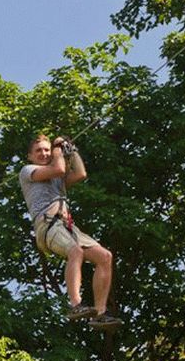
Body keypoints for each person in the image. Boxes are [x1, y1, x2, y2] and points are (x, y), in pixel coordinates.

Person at [19, 134, 122, 330]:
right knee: (76, 251)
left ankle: (100, 313)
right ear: (30, 156)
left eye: (47, 150)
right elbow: (58, 168)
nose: (44, 153)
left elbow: (81, 173)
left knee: (105, 257)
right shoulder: (28, 171)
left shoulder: (57, 179)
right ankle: (75, 304)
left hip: (66, 226)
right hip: (48, 226)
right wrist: (58, 148)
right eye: (39, 150)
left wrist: (71, 149)